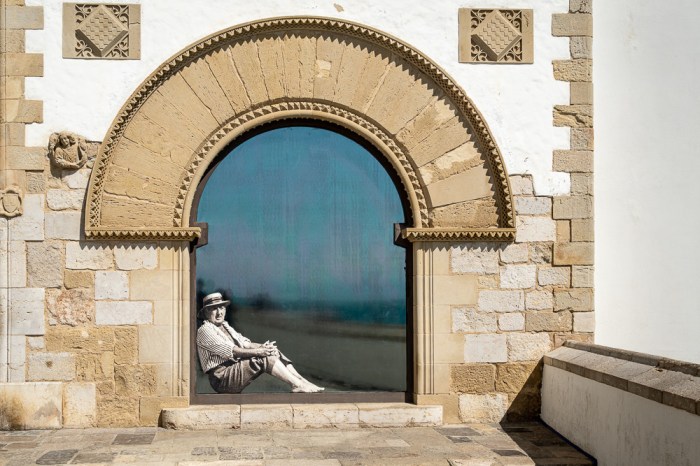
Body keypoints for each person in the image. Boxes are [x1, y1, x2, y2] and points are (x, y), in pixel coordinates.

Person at [196, 292, 323, 393]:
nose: (219, 312)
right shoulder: (205, 330)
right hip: (222, 379)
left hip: (233, 370)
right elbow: (233, 351)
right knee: (263, 357)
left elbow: (245, 343)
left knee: (272, 351)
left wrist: (264, 347)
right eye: (214, 309)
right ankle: (296, 384)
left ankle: (302, 381)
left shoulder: (225, 326)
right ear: (206, 312)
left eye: (221, 307)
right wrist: (259, 352)